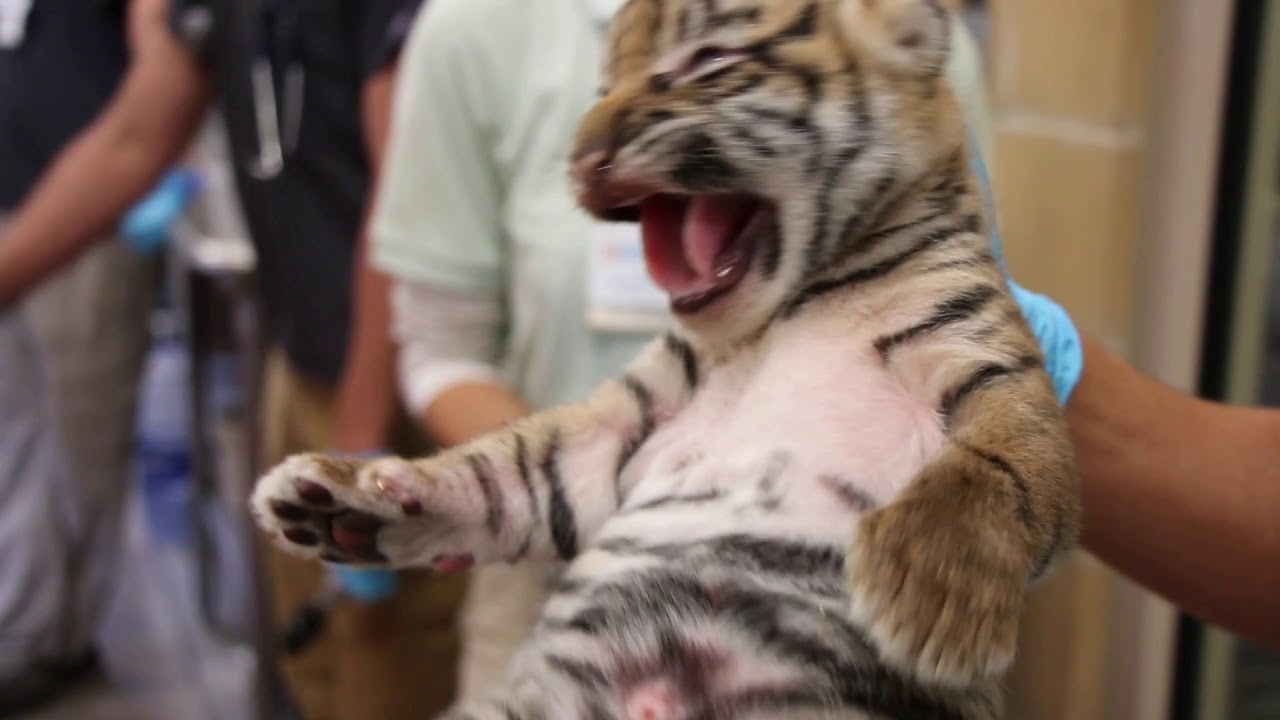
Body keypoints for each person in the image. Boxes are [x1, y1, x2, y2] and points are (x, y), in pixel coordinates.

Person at [371, 0, 1008, 696]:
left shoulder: (879, 23)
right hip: (553, 583)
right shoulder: (478, 27)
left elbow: (955, 319)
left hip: (832, 590)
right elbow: (443, 354)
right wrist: (573, 506)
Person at [0, 0, 467, 717]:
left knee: (387, 670)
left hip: (395, 384)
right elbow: (134, 136)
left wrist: (361, 439)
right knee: (311, 660)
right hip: (303, 360)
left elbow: (405, 201)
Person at [0, 1, 155, 712]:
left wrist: (168, 164)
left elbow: (163, 51)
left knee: (77, 434)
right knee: (15, 438)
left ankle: (50, 641)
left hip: (80, 207)